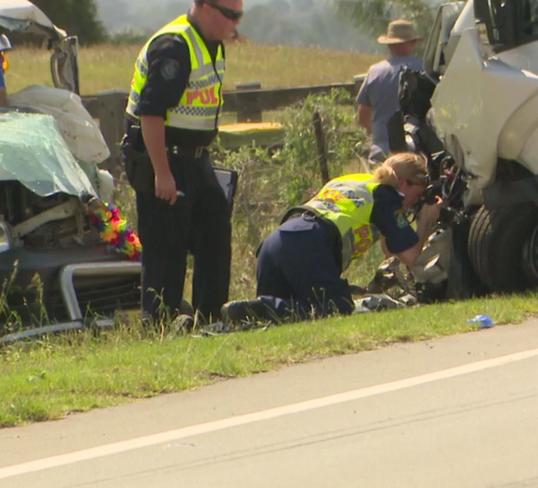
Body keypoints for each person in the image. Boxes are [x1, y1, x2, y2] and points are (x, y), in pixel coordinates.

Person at [122, 0, 243, 325]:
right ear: (203, 6)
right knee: (166, 249)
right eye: (229, 15)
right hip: (163, 158)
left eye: (239, 15)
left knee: (215, 236)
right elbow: (150, 113)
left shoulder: (212, 43)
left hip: (196, 159)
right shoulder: (174, 46)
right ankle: (159, 326)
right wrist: (162, 173)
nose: (235, 23)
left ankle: (211, 320)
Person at [221, 152, 441, 325]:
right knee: (337, 308)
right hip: (309, 245)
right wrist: (425, 222)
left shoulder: (355, 181)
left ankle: (249, 309)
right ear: (404, 183)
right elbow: (411, 257)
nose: (416, 202)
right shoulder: (387, 196)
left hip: (275, 242)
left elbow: (392, 252)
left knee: (273, 322)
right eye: (418, 195)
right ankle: (263, 306)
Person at [356, 20, 423, 163]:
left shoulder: (374, 72)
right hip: (415, 154)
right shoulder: (423, 69)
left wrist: (377, 135)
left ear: (389, 44)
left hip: (381, 155)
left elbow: (363, 115)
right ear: (412, 43)